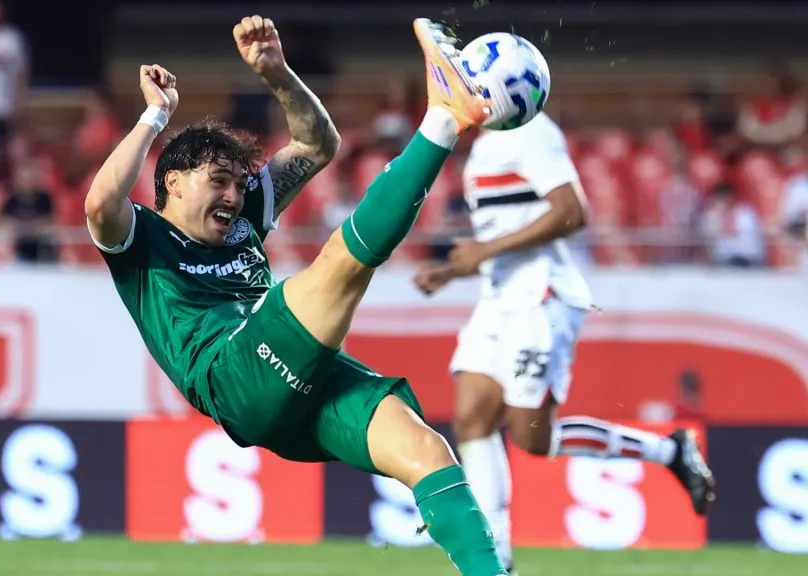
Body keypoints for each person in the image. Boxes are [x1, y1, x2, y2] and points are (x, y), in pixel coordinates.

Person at [86, 15, 507, 576]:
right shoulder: (142, 239)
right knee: (338, 267)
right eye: (219, 181)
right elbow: (98, 204)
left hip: (296, 386)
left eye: (240, 184)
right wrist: (154, 115)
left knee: (427, 451)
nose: (235, 196)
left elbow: (317, 143)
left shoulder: (244, 221)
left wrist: (279, 74)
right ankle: (444, 119)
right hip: (231, 373)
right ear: (174, 183)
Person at [413, 111, 716, 573]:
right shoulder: (483, 148)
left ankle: (669, 450)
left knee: (533, 438)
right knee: (471, 421)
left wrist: (483, 252)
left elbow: (572, 212)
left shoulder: (531, 131)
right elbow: (508, 231)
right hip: (499, 298)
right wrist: (453, 269)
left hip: (541, 295)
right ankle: (499, 563)